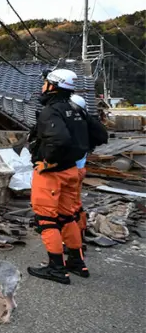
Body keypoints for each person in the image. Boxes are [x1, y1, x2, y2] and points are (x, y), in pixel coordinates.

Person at [27, 69, 89, 284]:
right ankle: (76, 262)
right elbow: (99, 134)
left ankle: (56, 269)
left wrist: (49, 161)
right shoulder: (76, 110)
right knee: (67, 216)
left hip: (52, 173)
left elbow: (59, 140)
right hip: (72, 170)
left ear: (53, 85)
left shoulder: (51, 111)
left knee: (46, 219)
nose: (43, 87)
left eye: (45, 83)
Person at [68, 93, 108, 262]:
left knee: (66, 209)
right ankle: (80, 235)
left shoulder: (73, 126)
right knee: (76, 206)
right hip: (80, 169)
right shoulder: (88, 124)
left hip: (69, 171)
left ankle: (72, 243)